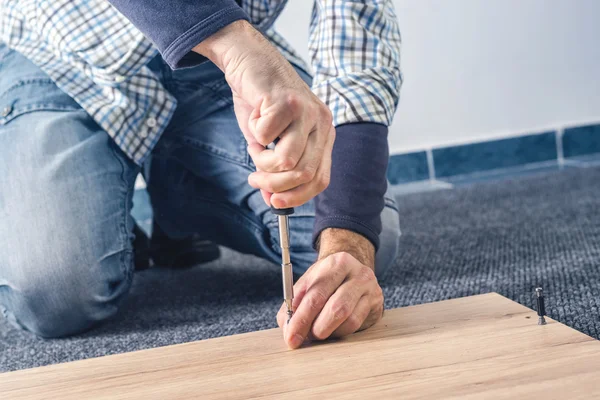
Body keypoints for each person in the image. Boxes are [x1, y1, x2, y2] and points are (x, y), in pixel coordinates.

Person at [0, 0, 402, 349]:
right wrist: (234, 45)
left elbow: (357, 44)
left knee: (360, 238)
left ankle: (181, 190)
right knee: (55, 293)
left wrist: (347, 242)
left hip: (214, 70)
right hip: (58, 58)